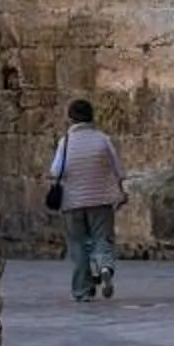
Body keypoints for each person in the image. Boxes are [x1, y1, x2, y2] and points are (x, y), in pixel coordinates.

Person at [50, 98, 128, 301]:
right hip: (101, 200)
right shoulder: (103, 139)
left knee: (78, 244)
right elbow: (118, 170)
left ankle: (82, 291)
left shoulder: (66, 142)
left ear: (71, 118)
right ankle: (105, 267)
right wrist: (120, 191)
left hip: (72, 202)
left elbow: (56, 171)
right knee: (102, 238)